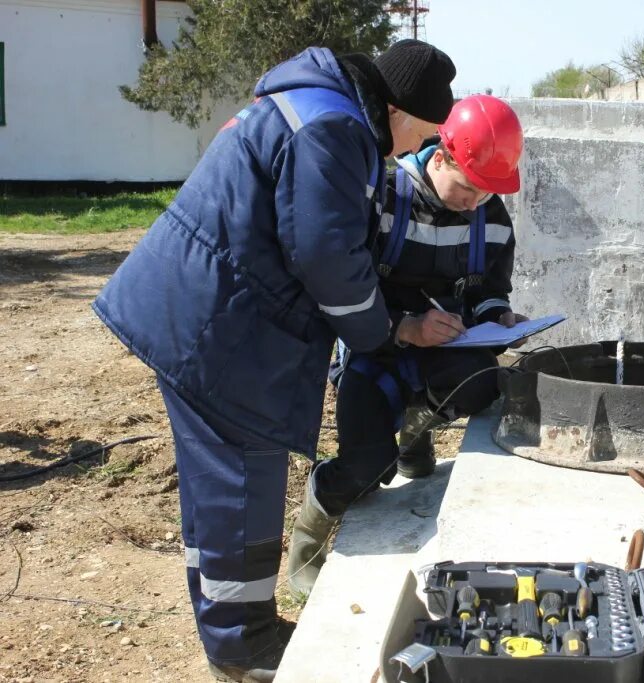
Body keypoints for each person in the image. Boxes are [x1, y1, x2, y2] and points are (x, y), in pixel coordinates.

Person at [91, 41, 456, 682]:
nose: (403, 152)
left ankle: (235, 625)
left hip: (206, 315)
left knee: (218, 489)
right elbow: (326, 257)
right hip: (220, 329)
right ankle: (243, 644)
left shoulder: (313, 105)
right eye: (415, 136)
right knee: (241, 482)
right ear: (396, 110)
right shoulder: (337, 128)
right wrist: (387, 330)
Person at [287, 95, 525, 597]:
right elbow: (345, 286)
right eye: (465, 189)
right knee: (367, 468)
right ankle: (308, 538)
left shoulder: (492, 215)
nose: (472, 203)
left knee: (485, 381)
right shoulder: (385, 196)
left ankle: (415, 436)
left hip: (442, 355)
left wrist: (499, 316)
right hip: (375, 351)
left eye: (485, 195)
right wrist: (405, 326)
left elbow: (486, 292)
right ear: (440, 157)